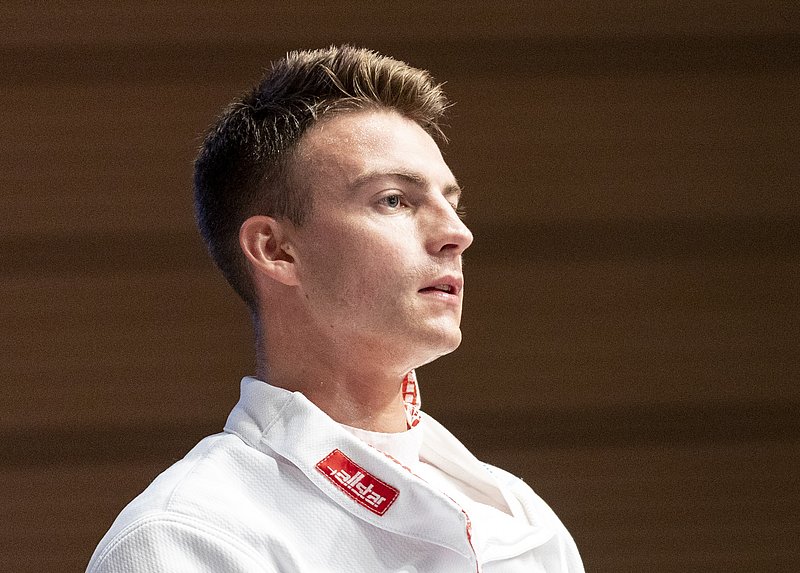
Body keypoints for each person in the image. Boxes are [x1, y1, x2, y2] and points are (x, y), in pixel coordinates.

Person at [87, 45, 584, 572]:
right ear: (276, 250)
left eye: (452, 203)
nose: (456, 233)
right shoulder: (188, 537)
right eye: (394, 200)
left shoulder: (521, 519)